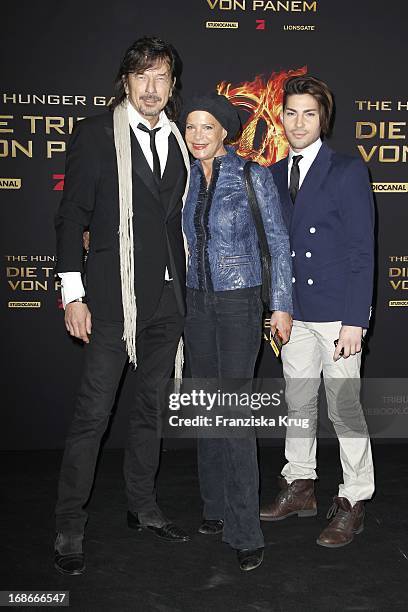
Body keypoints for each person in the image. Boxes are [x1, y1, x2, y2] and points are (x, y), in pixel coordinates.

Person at [54, 37, 191, 576]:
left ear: (172, 85)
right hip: (112, 301)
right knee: (93, 415)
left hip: (166, 302)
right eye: (143, 77)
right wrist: (73, 293)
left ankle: (143, 506)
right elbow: (71, 218)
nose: (153, 88)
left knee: (150, 413)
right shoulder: (95, 136)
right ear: (126, 82)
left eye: (162, 78)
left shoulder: (181, 141)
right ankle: (68, 521)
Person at [260, 75, 375, 548]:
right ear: (280, 117)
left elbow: (362, 249)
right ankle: (301, 485)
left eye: (309, 113)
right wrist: (278, 307)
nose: (298, 122)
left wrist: (355, 320)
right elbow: (274, 250)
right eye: (290, 113)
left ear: (323, 118)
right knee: (299, 405)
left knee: (345, 409)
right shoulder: (270, 174)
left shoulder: (347, 169)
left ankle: (353, 499)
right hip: (294, 315)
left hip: (336, 315)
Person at [181, 93, 293, 571]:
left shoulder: (252, 174)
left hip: (239, 300)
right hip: (196, 301)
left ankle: (246, 528)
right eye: (191, 128)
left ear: (224, 131)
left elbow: (278, 241)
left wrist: (281, 305)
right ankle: (214, 508)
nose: (198, 136)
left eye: (207, 127)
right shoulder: (183, 178)